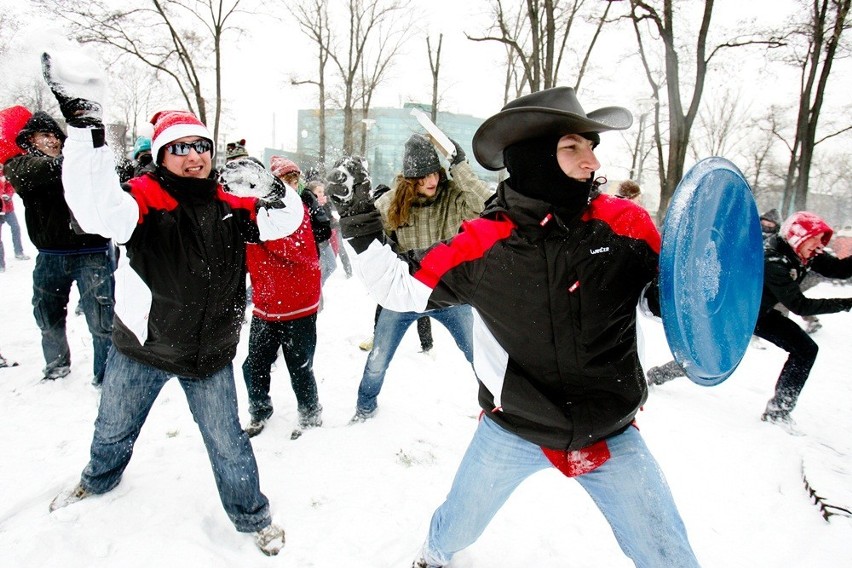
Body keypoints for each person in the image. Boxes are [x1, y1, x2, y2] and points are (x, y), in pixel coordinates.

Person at [330, 86, 700, 567]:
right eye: (573, 147)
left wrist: (709, 296)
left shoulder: (624, 224)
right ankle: (434, 556)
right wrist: (360, 223)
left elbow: (665, 302)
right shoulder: (485, 245)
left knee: (670, 553)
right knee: (456, 526)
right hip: (515, 428)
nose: (591, 161)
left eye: (591, 147)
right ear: (535, 157)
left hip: (610, 428)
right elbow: (401, 290)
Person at [40, 52, 306, 555]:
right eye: (179, 148)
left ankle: (252, 517)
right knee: (113, 428)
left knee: (229, 446)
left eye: (200, 146)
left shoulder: (233, 198)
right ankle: (98, 480)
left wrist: (276, 193)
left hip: (209, 353)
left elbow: (285, 228)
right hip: (143, 346)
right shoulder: (141, 197)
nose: (193, 156)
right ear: (162, 155)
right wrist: (84, 131)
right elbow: (95, 209)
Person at [328, 133, 491, 423]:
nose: (432, 180)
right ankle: (365, 407)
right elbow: (370, 240)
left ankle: (499, 407)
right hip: (405, 293)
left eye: (435, 173)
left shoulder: (454, 197)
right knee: (378, 359)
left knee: (481, 356)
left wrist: (460, 165)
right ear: (410, 178)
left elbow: (487, 207)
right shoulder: (392, 202)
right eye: (422, 176)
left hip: (449, 295)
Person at [3, 110, 114, 383]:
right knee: (48, 318)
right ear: (30, 140)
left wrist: (91, 152)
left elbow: (112, 175)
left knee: (102, 322)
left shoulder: (83, 159)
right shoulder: (20, 165)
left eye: (55, 134)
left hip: (93, 253)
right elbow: (43, 173)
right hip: (49, 256)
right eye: (44, 135)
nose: (52, 140)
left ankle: (106, 375)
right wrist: (82, 158)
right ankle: (56, 367)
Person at [241, 167, 324, 440]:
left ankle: (310, 414)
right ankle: (259, 410)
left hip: (298, 306)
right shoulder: (254, 209)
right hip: (265, 306)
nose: (289, 185)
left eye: (293, 180)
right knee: (254, 365)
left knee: (299, 367)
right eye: (282, 180)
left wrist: (259, 234)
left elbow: (300, 250)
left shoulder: (298, 210)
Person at [305, 179, 338, 285]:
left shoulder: (322, 205)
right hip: (317, 242)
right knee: (322, 268)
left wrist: (323, 207)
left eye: (322, 192)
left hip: (324, 240)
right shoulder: (309, 204)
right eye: (319, 192)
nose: (322, 194)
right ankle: (317, 290)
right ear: (312, 192)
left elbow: (328, 220)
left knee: (332, 266)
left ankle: (318, 287)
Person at [0, 162, 30, 272]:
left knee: (16, 228)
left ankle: (18, 251)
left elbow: (10, 186)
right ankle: (1, 264)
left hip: (8, 208)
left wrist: (8, 195)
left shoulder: (5, 173)